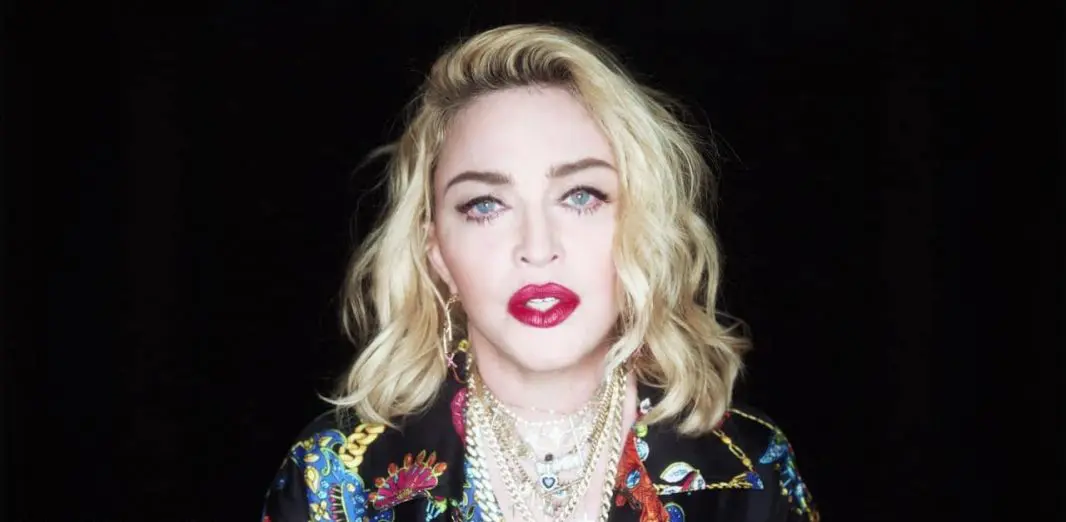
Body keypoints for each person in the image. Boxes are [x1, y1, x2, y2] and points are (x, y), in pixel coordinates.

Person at [261, 23, 819, 522]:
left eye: (581, 195)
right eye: (485, 205)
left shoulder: (750, 469)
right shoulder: (335, 478)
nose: (537, 247)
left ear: (643, 224)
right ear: (437, 254)